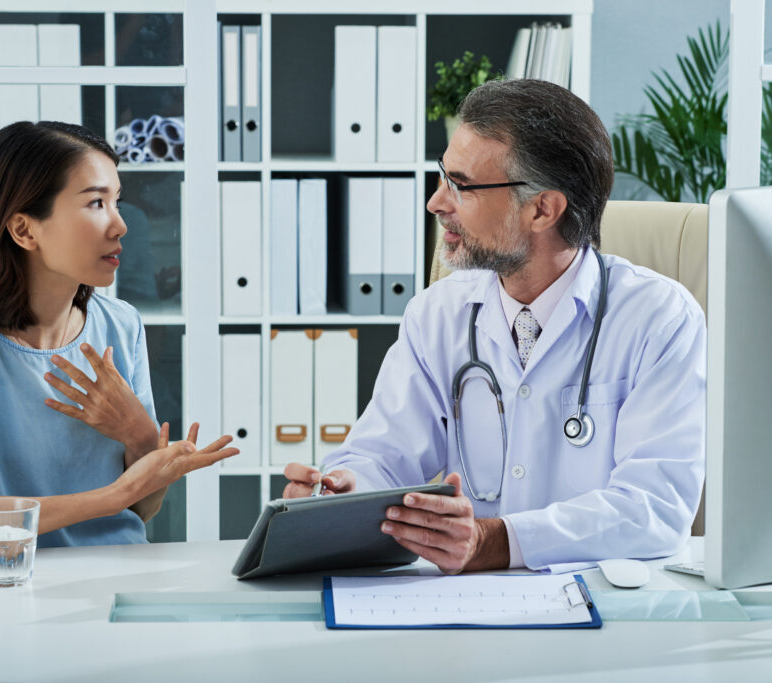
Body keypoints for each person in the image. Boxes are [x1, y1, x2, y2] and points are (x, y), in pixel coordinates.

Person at [283, 79, 705, 574]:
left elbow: (654, 507)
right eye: (444, 178)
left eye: (460, 185)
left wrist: (496, 541)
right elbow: (383, 455)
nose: (436, 203)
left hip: (604, 614)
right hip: (466, 612)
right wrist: (339, 492)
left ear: (542, 209)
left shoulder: (658, 318)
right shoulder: (437, 315)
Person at [0, 121, 237, 558]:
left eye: (116, 201)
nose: (120, 225)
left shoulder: (121, 325)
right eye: (96, 203)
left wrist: (140, 435)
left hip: (117, 573)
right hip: (9, 585)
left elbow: (141, 511)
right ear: (25, 230)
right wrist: (111, 497)